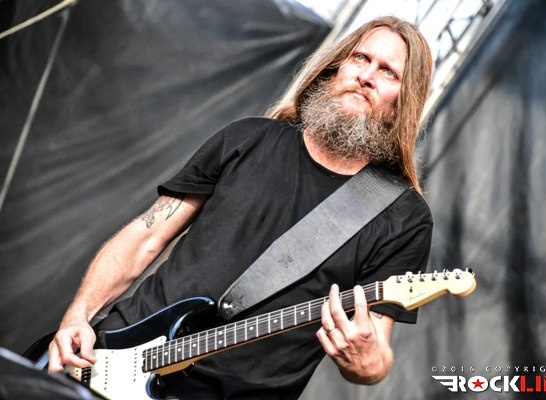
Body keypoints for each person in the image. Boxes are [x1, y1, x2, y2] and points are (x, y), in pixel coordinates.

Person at [47, 16, 434, 399]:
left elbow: (375, 349)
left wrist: (367, 362)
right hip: (118, 352)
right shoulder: (248, 138)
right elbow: (146, 236)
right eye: (360, 58)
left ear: (405, 101)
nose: (366, 76)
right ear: (336, 67)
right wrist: (79, 314)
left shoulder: (403, 217)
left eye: (388, 72)